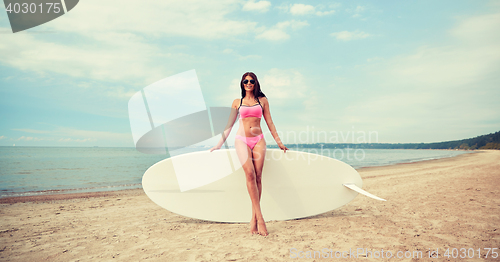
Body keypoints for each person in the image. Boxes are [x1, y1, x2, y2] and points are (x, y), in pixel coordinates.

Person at [210, 72, 288, 236]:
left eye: (251, 81)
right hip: (242, 140)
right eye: (246, 81)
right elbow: (229, 125)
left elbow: (270, 122)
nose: (248, 83)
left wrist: (279, 142)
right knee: (250, 174)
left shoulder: (263, 101)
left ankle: (253, 219)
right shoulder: (237, 102)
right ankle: (260, 219)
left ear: (256, 83)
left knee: (259, 176)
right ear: (242, 83)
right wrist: (219, 144)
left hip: (259, 140)